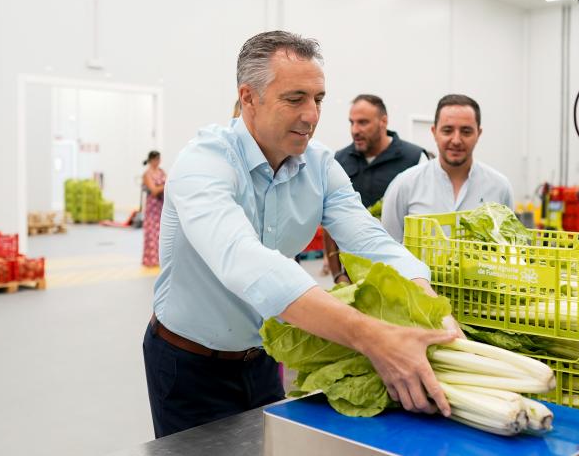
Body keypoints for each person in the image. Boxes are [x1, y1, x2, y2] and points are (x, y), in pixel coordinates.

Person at [143, 31, 459, 438]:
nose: (312, 114)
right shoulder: (203, 162)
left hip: (264, 358)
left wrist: (435, 313)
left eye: (319, 99)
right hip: (187, 364)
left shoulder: (320, 166)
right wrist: (374, 338)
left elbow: (373, 244)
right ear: (249, 97)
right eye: (295, 99)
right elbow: (247, 264)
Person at [381, 94, 514, 243]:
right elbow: (388, 248)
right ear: (434, 132)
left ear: (479, 134)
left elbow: (507, 250)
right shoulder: (404, 185)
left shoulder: (500, 187)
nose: (456, 140)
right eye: (447, 130)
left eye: (466, 131)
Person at [324, 94, 428, 282]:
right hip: (354, 277)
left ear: (383, 121)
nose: (355, 130)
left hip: (403, 275)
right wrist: (338, 275)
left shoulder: (414, 158)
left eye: (363, 122)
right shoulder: (339, 160)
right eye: (352, 122)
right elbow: (329, 221)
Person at [142, 151, 166, 267]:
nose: (158, 162)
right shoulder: (147, 175)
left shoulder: (162, 172)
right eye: (156, 159)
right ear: (151, 160)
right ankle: (151, 259)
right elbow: (154, 190)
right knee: (152, 233)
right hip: (152, 208)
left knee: (162, 233)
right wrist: (165, 185)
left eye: (159, 159)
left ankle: (161, 259)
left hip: (162, 206)